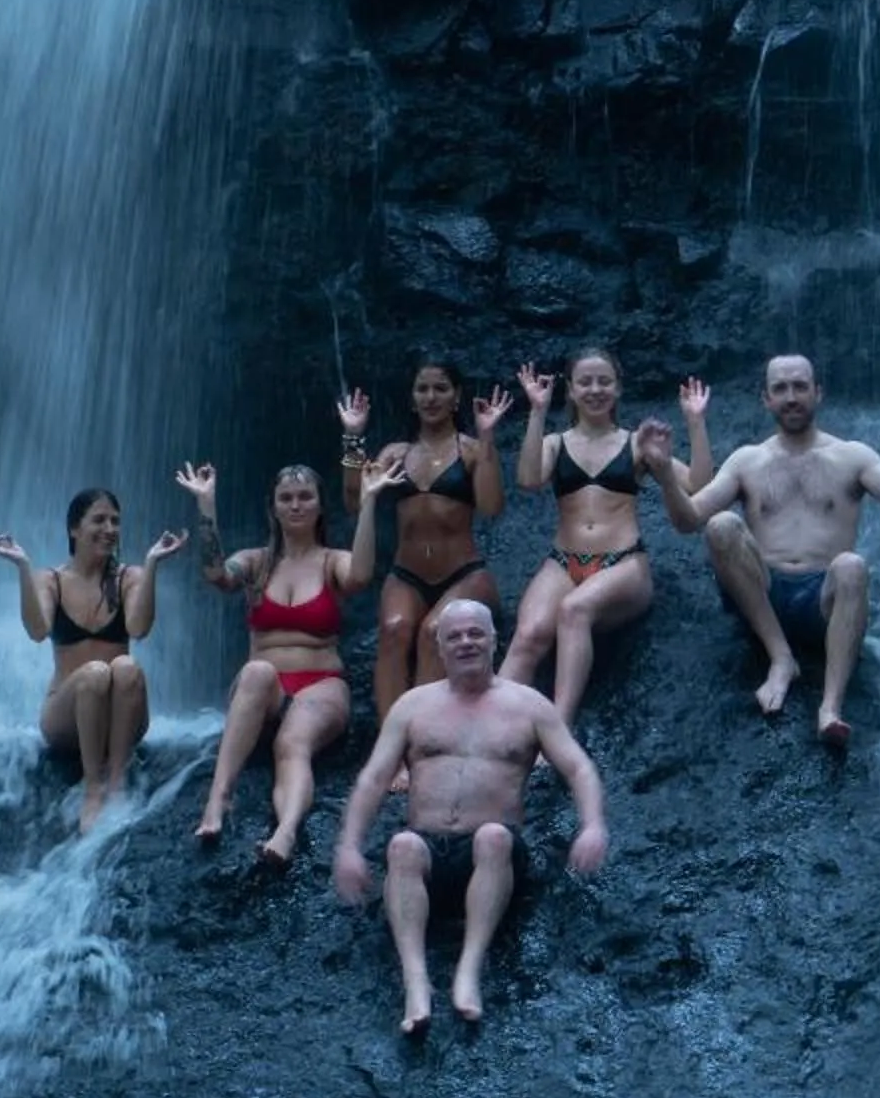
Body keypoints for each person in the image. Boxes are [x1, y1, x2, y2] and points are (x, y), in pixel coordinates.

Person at [636, 354, 880, 757]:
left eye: (800, 386)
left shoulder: (853, 456)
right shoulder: (747, 460)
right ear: (765, 399)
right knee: (720, 526)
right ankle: (781, 659)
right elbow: (689, 520)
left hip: (823, 601)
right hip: (762, 592)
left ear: (818, 393)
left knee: (852, 565)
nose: (791, 397)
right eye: (780, 389)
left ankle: (830, 707)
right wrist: (664, 473)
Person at [333, 595, 608, 1033]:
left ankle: (468, 972)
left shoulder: (529, 705)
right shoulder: (412, 706)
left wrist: (592, 825)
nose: (466, 642)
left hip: (494, 855)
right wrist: (348, 847)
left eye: (475, 633)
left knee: (493, 837)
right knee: (402, 845)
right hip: (428, 850)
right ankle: (416, 983)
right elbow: (372, 779)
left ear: (494, 641)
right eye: (454, 636)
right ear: (440, 647)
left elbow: (578, 767)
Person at [175, 452, 399, 868]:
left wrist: (369, 502)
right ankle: (218, 799)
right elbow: (216, 575)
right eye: (286, 498)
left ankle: (286, 830)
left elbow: (362, 575)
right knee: (258, 671)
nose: (295, 505)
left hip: (321, 683)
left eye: (304, 497)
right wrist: (206, 506)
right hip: (265, 690)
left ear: (318, 505)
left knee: (291, 744)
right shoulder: (257, 562)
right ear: (274, 507)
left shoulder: (333, 561)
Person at [499, 348, 713, 729]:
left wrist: (695, 423)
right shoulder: (554, 442)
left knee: (574, 610)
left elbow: (697, 484)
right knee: (529, 633)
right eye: (585, 382)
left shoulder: (635, 444)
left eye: (604, 381)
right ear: (571, 390)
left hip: (623, 563)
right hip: (564, 562)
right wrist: (536, 410)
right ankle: (485, 728)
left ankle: (558, 728)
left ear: (618, 389)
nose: (595, 389)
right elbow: (529, 480)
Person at [0, 491, 187, 833]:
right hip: (66, 718)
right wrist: (22, 566)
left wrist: (152, 564)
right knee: (94, 673)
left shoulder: (129, 577)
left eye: (115, 521)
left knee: (126, 667)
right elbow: (37, 630)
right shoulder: (50, 581)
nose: (109, 528)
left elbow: (138, 628)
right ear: (74, 529)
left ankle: (118, 781)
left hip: (122, 718)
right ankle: (94, 789)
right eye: (99, 520)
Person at [337, 359, 515, 721]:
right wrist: (353, 437)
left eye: (440, 388)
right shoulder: (394, 454)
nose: (431, 397)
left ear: (456, 397)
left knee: (435, 631)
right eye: (422, 389)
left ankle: (420, 735)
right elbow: (354, 502)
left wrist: (487, 438)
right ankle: (391, 743)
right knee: (393, 630)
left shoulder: (469, 450)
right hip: (407, 576)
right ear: (412, 399)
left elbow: (491, 506)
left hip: (463, 575)